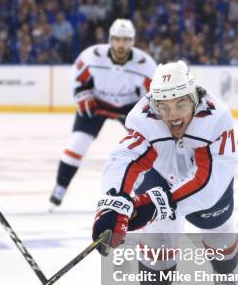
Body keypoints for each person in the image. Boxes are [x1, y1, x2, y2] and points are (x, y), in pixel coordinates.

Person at [92, 61, 238, 285]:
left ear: (194, 100)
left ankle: (225, 272)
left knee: (217, 231)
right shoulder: (143, 116)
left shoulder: (217, 118)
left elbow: (206, 183)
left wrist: (154, 204)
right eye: (164, 106)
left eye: (180, 105)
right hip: (161, 173)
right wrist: (114, 203)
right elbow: (126, 158)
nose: (171, 115)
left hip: (208, 187)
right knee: (158, 231)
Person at [49, 19, 157, 209]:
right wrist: (81, 95)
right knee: (76, 145)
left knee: (150, 149)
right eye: (117, 39)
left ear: (132, 41)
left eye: (125, 40)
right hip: (96, 104)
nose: (121, 45)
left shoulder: (146, 64)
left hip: (130, 108)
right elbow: (76, 77)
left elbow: (155, 92)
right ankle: (60, 188)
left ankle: (150, 191)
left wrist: (148, 110)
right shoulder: (92, 56)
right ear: (110, 39)